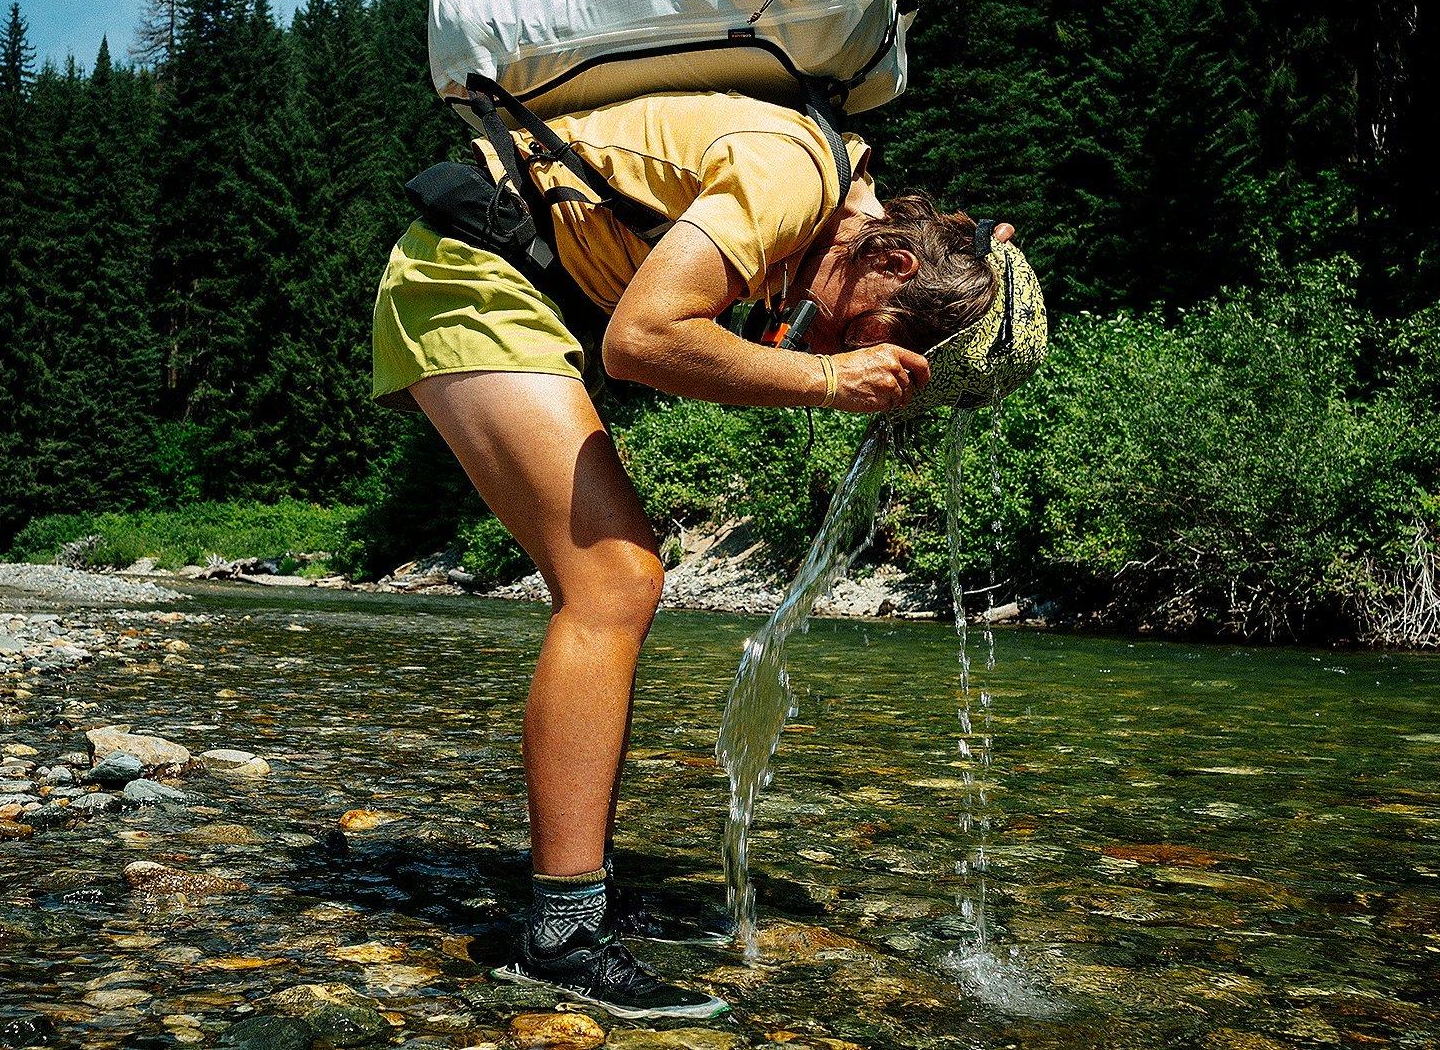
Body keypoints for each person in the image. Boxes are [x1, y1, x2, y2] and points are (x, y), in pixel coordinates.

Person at [371, 89, 1020, 1020]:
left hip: (513, 279)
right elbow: (640, 340)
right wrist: (828, 376)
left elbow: (680, 337)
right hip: (469, 275)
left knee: (617, 585)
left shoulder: (826, 199)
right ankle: (561, 931)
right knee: (613, 581)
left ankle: (583, 887)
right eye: (865, 334)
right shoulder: (792, 173)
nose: (832, 340)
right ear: (893, 261)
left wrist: (951, 293)